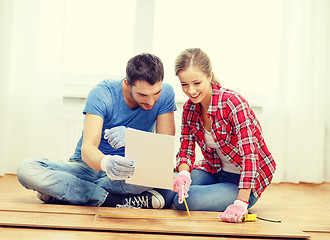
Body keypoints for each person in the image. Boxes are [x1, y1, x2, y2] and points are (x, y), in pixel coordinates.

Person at [17, 53, 177, 209]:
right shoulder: (102, 94)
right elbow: (88, 149)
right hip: (87, 168)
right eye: (142, 94)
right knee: (27, 170)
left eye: (156, 93)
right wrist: (107, 162)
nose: (150, 101)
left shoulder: (166, 94)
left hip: (128, 171)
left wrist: (133, 138)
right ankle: (111, 200)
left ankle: (69, 192)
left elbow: (163, 147)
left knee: (160, 175)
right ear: (128, 84)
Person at [172, 48, 276, 223]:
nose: (191, 91)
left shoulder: (234, 104)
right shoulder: (190, 108)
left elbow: (251, 156)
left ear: (209, 76)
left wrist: (241, 202)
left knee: (182, 201)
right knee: (172, 186)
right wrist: (183, 173)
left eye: (197, 83)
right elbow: (185, 148)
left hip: (243, 181)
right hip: (216, 170)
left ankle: (238, 197)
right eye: (184, 84)